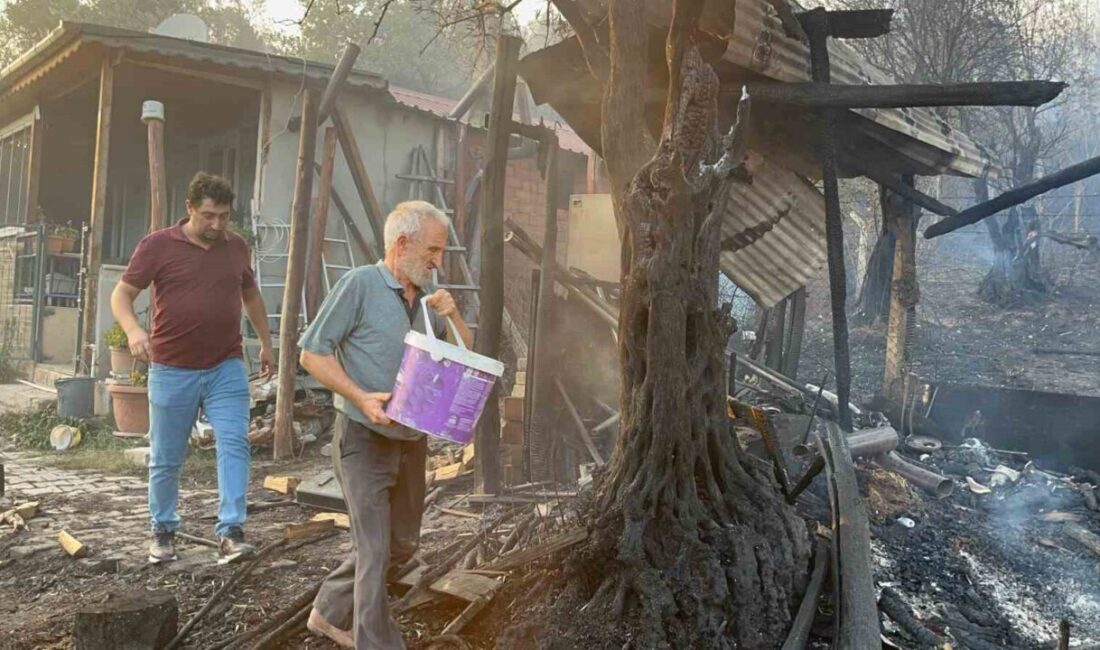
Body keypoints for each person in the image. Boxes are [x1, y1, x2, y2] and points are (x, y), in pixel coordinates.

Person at [300, 200, 471, 649]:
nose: (439, 260)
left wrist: (453, 317)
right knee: (374, 550)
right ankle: (376, 642)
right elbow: (312, 353)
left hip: (411, 441)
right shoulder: (359, 285)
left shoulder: (428, 299)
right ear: (402, 244)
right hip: (362, 437)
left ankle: (328, 612)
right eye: (433, 250)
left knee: (399, 547)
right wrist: (359, 396)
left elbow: (466, 360)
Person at [111, 172, 275, 566]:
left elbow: (250, 293)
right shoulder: (157, 246)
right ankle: (163, 530)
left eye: (223, 216)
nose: (217, 225)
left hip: (226, 365)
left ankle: (231, 532)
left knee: (235, 443)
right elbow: (121, 294)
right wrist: (134, 330)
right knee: (167, 456)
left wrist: (267, 342)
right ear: (189, 209)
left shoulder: (236, 248)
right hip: (171, 369)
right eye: (208, 216)